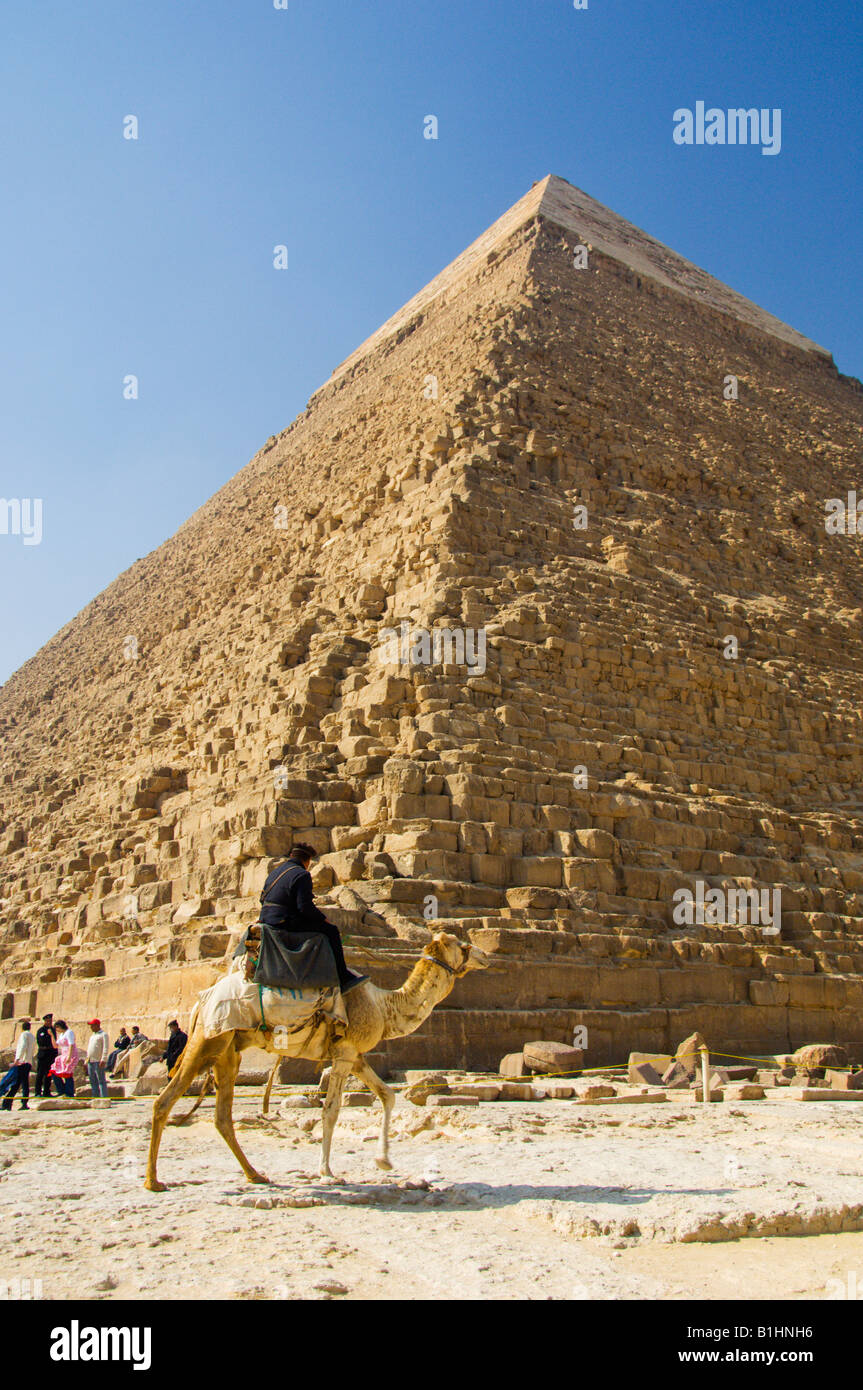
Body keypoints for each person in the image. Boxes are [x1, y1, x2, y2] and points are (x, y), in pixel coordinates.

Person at [258, 842, 368, 992]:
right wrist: (323, 919)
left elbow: (262, 899)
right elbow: (305, 907)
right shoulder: (302, 874)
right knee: (332, 931)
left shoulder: (275, 873)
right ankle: (343, 978)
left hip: (266, 918)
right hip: (284, 921)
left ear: (291, 856)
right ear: (307, 861)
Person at [0, 1022, 36, 1110]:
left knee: (13, 1082)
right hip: (28, 1062)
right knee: (23, 1084)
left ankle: (7, 1104)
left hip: (21, 1063)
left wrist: (17, 1060)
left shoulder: (24, 1034)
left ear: (22, 1028)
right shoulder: (32, 1036)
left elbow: (22, 1047)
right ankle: (21, 1103)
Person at [49, 1020, 78, 1098]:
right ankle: (61, 1090)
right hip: (63, 1055)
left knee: (68, 1073)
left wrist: (69, 1056)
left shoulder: (69, 1032)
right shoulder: (61, 1034)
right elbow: (55, 1046)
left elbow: (71, 1044)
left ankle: (69, 1093)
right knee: (54, 1071)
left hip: (70, 1054)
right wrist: (52, 1036)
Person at [34, 1014, 58, 1097]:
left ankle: (47, 1092)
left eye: (50, 1021)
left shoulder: (53, 1030)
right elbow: (41, 1041)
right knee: (40, 1074)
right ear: (45, 1021)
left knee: (48, 1074)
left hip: (51, 1055)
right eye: (48, 1021)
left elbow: (55, 1041)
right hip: (43, 1055)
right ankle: (37, 1092)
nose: (49, 1022)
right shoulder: (41, 1030)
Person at [86, 1019, 109, 1098]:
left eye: (92, 1025)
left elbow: (105, 1048)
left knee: (101, 1080)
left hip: (98, 1061)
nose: (91, 1027)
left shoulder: (103, 1034)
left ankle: (104, 1097)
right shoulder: (93, 1035)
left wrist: (103, 1059)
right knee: (92, 1080)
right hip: (90, 1060)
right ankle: (95, 1096)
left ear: (97, 1025)